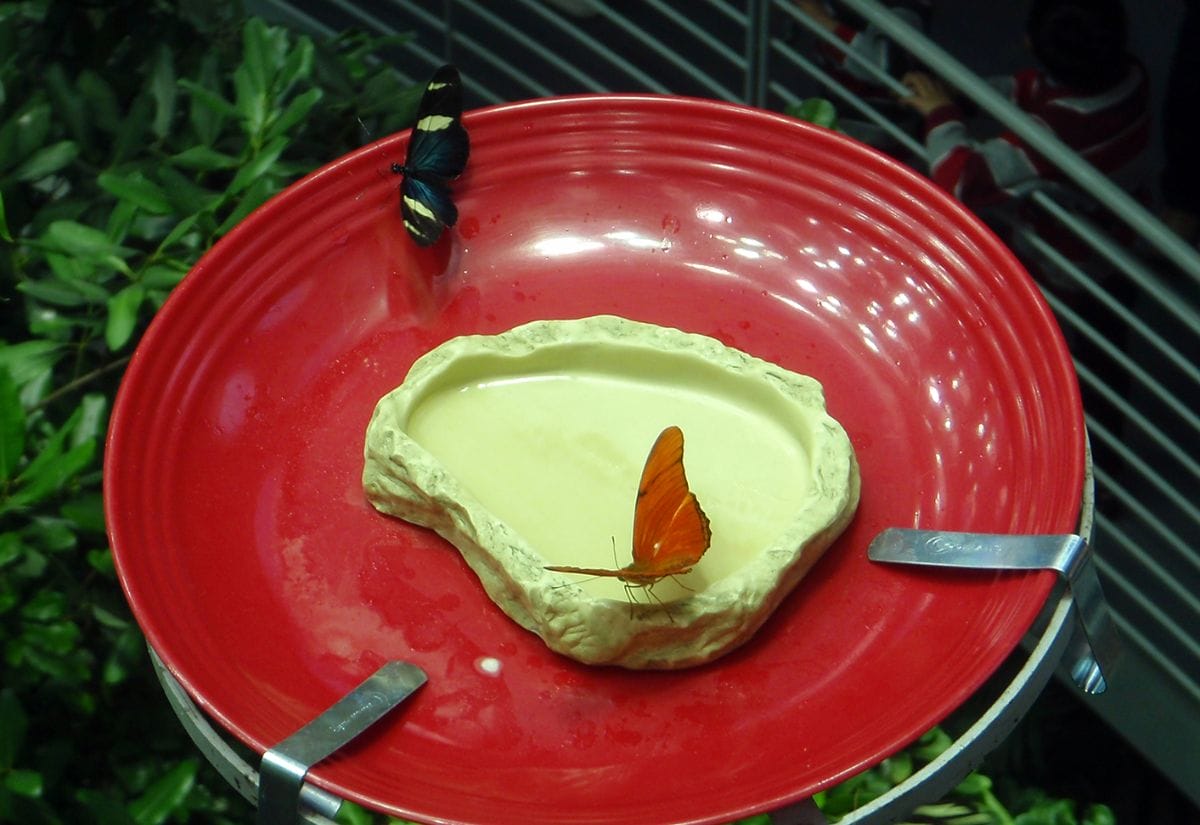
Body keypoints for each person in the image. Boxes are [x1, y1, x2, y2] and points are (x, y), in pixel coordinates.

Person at [898, 0, 1149, 217]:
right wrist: (965, 92)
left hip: (1070, 241)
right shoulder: (1130, 72)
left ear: (1030, 44)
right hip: (1125, 196)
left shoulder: (1059, 128)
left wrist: (940, 112)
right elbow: (1037, 88)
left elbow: (959, 179)